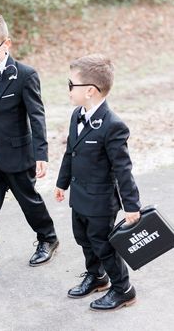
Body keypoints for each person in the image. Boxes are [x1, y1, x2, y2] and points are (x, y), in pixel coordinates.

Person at [0, 11, 59, 284]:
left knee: (28, 201)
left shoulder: (25, 75)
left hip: (18, 152)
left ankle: (48, 239)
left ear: (7, 44)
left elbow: (36, 115)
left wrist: (41, 153)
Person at [55, 54, 141, 311]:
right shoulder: (76, 115)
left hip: (101, 202)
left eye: (71, 84)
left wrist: (131, 205)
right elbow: (71, 151)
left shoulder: (113, 126)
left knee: (103, 245)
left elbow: (123, 168)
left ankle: (123, 289)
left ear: (90, 91)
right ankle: (97, 276)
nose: (68, 89)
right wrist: (62, 183)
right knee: (83, 239)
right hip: (79, 196)